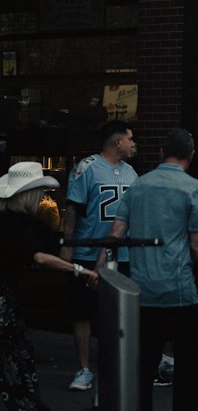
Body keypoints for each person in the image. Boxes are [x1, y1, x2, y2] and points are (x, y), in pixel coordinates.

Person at [108, 128, 198, 411]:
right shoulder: (194, 188)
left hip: (142, 289)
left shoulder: (138, 184)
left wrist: (99, 271)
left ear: (163, 151)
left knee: (144, 364)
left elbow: (117, 231)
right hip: (178, 289)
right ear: (191, 156)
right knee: (194, 362)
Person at [0, 161, 97, 411]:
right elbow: (40, 257)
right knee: (19, 364)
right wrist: (79, 270)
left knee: (14, 364)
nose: (44, 197)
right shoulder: (21, 225)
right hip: (3, 301)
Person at [60, 121, 138, 391]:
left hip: (123, 253)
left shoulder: (131, 173)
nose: (133, 144)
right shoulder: (87, 168)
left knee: (118, 312)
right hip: (87, 248)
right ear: (117, 142)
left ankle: (114, 366)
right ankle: (83, 369)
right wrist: (68, 242)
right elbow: (73, 208)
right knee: (82, 311)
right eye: (130, 139)